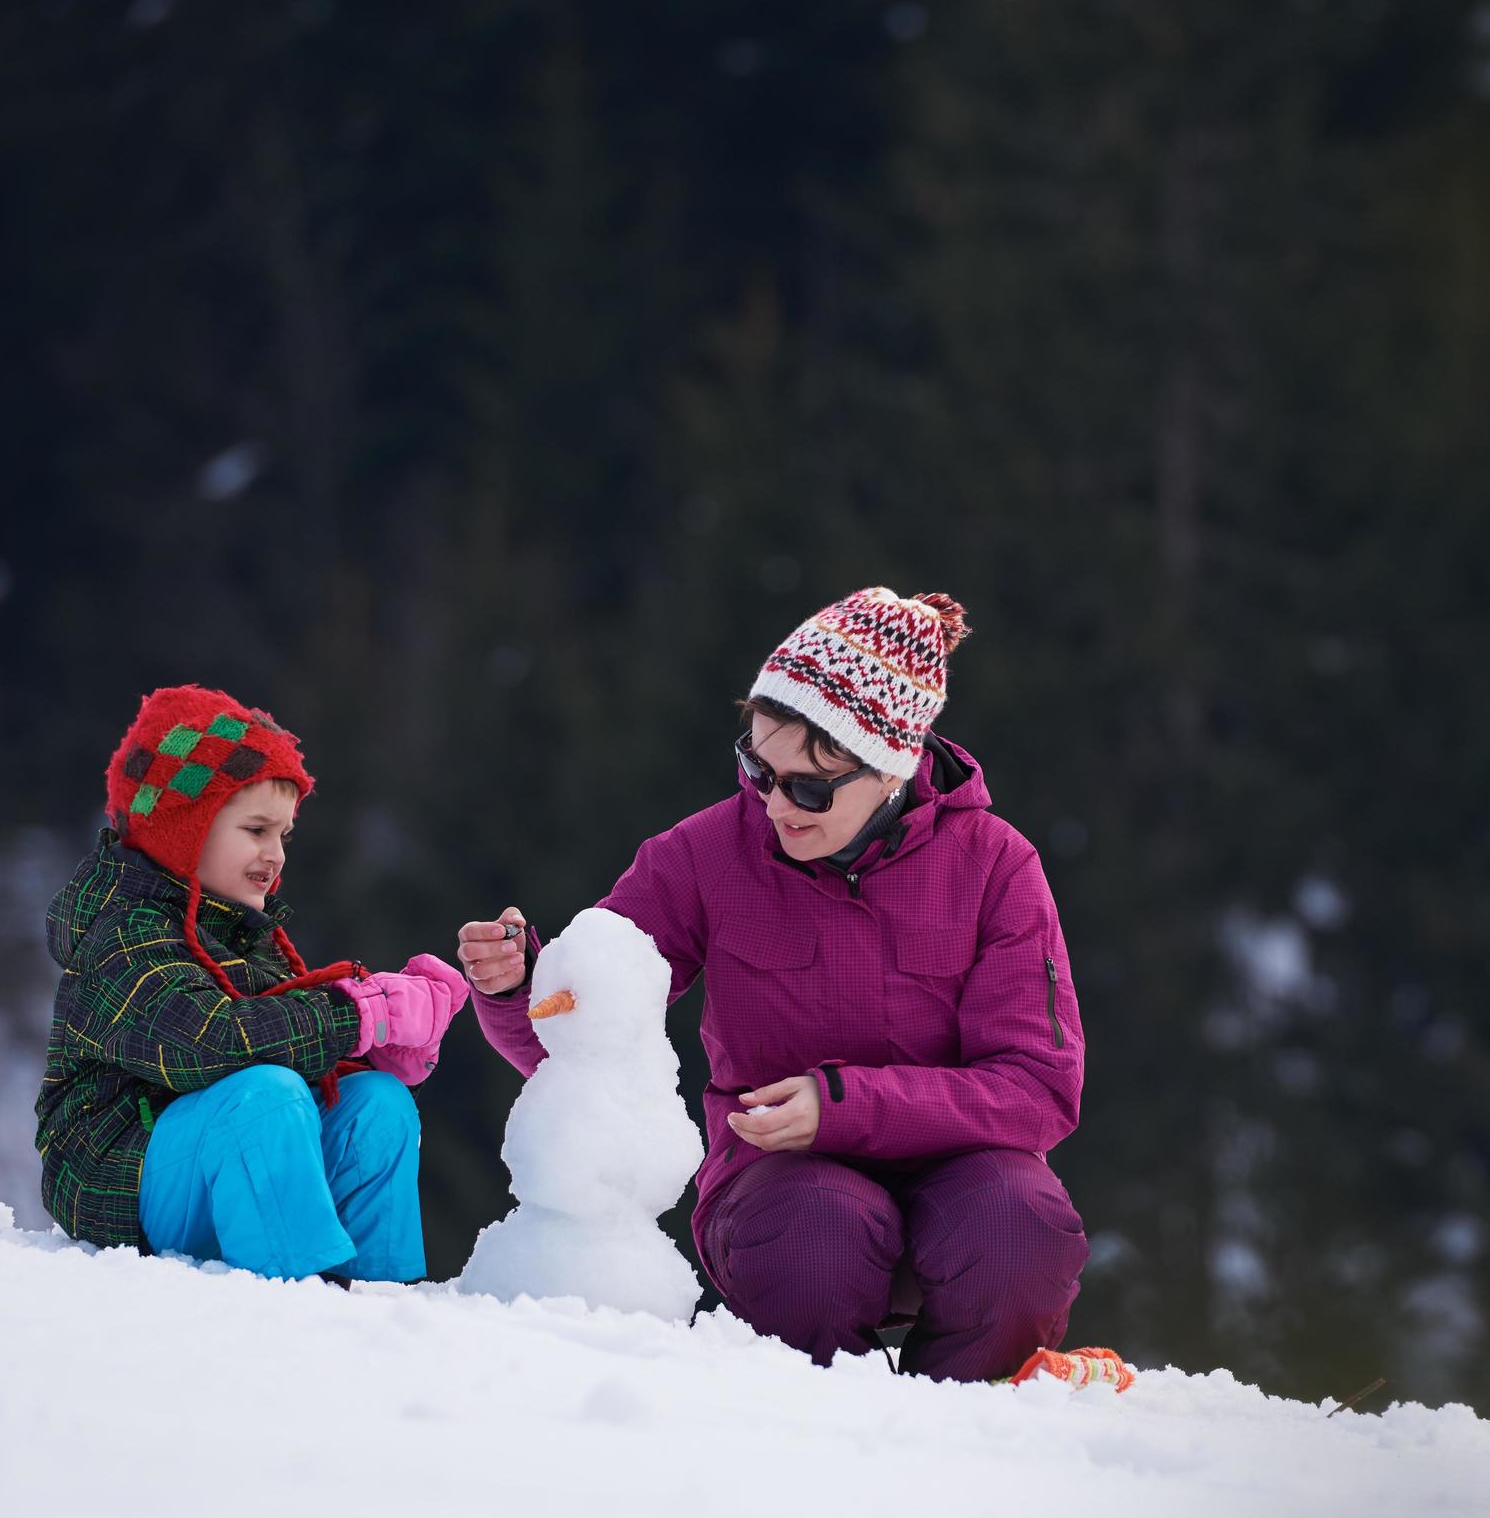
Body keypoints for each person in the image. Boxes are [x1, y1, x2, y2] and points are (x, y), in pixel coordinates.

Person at [457, 588, 1113, 1383]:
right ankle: (812, 1439)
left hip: (966, 1177)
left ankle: (974, 1425)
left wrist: (842, 1107)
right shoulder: (700, 856)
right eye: (758, 769)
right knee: (821, 1235)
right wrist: (517, 987)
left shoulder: (997, 867)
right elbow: (585, 1049)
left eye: (809, 786)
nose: (773, 804)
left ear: (894, 767)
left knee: (1018, 1230)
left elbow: (1037, 1088)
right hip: (780, 1192)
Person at [36, 684, 468, 1280]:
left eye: (283, 835)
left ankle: (384, 1302)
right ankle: (301, 1303)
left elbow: (292, 1055)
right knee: (263, 1095)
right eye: (256, 830)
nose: (277, 854)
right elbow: (204, 1045)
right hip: (122, 1178)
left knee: (378, 1105)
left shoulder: (243, 935)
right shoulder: (123, 933)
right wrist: (351, 1016)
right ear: (184, 828)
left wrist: (380, 1050)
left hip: (226, 1166)